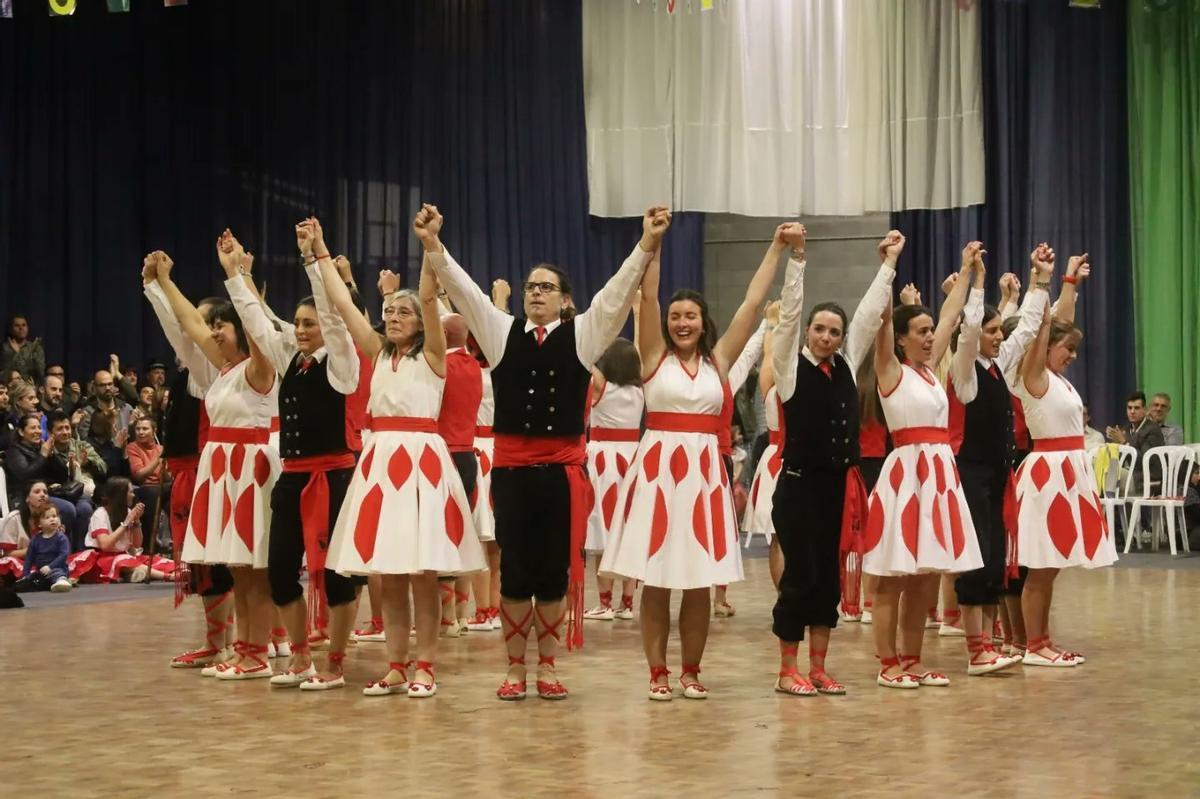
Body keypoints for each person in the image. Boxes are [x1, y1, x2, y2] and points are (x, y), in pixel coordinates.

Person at [428, 203, 666, 701]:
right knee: (515, 571)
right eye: (531, 287)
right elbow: (467, 293)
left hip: (561, 476)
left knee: (554, 572)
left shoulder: (583, 335)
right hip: (513, 473)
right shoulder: (499, 332)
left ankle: (550, 666)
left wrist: (645, 243)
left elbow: (618, 292)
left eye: (545, 287)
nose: (535, 293)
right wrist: (433, 245)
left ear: (565, 300)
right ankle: (516, 668)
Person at [601, 223, 782, 701]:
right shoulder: (651, 356)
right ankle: (658, 673)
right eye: (676, 316)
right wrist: (652, 243)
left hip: (704, 477)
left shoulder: (719, 362)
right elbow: (648, 295)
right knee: (657, 579)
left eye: (692, 316)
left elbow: (749, 303)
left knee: (699, 582)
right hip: (657, 472)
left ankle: (691, 671)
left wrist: (776, 245)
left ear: (704, 322)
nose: (682, 322)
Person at [322, 211, 484, 699]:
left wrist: (428, 244)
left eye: (403, 312)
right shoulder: (376, 353)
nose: (393, 318)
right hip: (379, 464)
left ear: (420, 322)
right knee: (386, 574)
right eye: (389, 311)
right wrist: (320, 253)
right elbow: (346, 307)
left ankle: (426, 665)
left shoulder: (434, 355)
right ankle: (395, 664)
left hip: (422, 465)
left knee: (422, 574)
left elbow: (430, 297)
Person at [224, 217, 368, 691]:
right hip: (294, 478)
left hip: (334, 478)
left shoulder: (342, 364)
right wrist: (234, 275)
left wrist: (312, 257)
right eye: (299, 324)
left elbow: (332, 314)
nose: (302, 330)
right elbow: (256, 322)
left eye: (309, 324)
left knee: (337, 578)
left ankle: (336, 661)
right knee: (282, 572)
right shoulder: (292, 362)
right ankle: (302, 657)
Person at [767, 227, 901, 695]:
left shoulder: (845, 364)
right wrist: (798, 258)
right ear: (807, 331)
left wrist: (888, 264)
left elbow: (867, 314)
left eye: (834, 332)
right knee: (800, 578)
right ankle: (788, 671)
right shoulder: (789, 367)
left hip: (835, 490)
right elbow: (786, 316)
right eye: (819, 329)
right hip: (798, 488)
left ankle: (819, 667)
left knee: (827, 580)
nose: (827, 337)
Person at [152, 237, 281, 681]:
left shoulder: (261, 370)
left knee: (254, 572)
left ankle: (257, 652)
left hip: (250, 472)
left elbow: (257, 324)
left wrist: (236, 275)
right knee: (239, 571)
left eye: (223, 327)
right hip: (223, 473)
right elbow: (190, 323)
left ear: (241, 332)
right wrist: (164, 283)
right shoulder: (224, 370)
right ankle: (245, 649)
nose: (214, 333)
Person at [863, 241, 983, 689]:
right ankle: (887, 663)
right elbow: (880, 322)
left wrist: (967, 270)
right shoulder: (890, 369)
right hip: (906, 475)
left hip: (939, 476)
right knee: (894, 578)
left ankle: (912, 660)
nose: (931, 336)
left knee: (925, 578)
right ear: (900, 338)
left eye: (932, 330)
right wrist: (888, 267)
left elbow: (952, 316)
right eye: (922, 330)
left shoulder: (932, 371)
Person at [946, 244, 1050, 675]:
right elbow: (968, 331)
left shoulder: (997, 366)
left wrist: (1041, 280)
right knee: (975, 560)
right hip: (970, 473)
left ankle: (989, 643)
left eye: (996, 330)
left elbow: (1024, 328)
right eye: (992, 330)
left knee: (993, 558)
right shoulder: (964, 371)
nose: (997, 335)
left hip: (996, 475)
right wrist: (979, 283)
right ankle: (975, 649)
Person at [1014, 252, 1117, 667]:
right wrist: (1045, 284)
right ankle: (1034, 646)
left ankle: (1042, 641)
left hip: (1069, 473)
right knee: (1041, 566)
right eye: (1067, 349)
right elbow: (1045, 331)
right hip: (1047, 477)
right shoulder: (1033, 378)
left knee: (1051, 567)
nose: (1072, 354)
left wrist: (1071, 281)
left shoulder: (1058, 382)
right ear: (1046, 347)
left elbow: (1060, 325)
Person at [143, 265, 235, 670]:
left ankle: (235, 643)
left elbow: (178, 326)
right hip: (191, 473)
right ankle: (229, 642)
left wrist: (160, 285)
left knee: (221, 562)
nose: (192, 326)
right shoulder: (196, 371)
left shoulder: (215, 371)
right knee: (207, 562)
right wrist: (154, 285)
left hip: (212, 474)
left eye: (201, 319)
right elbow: (178, 327)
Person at [582, 337, 644, 621]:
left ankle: (604, 604)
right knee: (628, 533)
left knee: (602, 532)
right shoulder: (641, 391)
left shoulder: (600, 386)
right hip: (632, 458)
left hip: (603, 461)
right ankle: (627, 604)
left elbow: (583, 358)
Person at [433, 311, 484, 638]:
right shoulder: (475, 369)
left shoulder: (441, 369)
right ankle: (461, 613)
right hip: (466, 455)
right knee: (461, 533)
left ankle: (447, 615)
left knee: (441, 535)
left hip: (443, 456)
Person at [742, 303, 784, 590]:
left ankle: (790, 596)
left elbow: (770, 353)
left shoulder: (771, 378)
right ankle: (789, 598)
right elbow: (770, 354)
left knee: (782, 536)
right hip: (782, 457)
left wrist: (772, 322)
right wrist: (772, 323)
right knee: (781, 535)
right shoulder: (774, 379)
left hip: (784, 458)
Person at [76, 478, 174, 584]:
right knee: (124, 560)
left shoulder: (127, 511)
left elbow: (137, 544)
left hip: (124, 556)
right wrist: (126, 523)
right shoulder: (100, 514)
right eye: (130, 492)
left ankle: (137, 573)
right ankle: (167, 576)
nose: (133, 495)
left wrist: (136, 521)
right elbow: (105, 545)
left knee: (158, 561)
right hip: (102, 559)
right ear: (121, 495)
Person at [1106, 391, 1165, 496]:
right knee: (1101, 468)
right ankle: (1106, 505)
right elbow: (1121, 459)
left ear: (1145, 410)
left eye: (1136, 408)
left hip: (1146, 479)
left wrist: (1124, 442)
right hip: (1131, 476)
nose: (1132, 411)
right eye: (1129, 408)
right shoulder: (1126, 428)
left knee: (1108, 473)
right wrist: (1113, 446)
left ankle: (1107, 507)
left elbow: (1144, 460)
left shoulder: (1152, 430)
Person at [14, 504, 71, 593]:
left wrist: (50, 567)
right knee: (32, 578)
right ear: (39, 524)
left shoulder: (61, 538)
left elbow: (63, 555)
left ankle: (61, 581)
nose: (52, 519)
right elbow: (29, 558)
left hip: (57, 567)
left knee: (57, 573)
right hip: (40, 570)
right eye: (47, 517)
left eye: (54, 516)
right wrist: (26, 574)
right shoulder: (35, 540)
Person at [1, 314, 45, 384]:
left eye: (24, 325)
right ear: (10, 329)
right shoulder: (4, 348)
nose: (21, 328)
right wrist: (16, 353)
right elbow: (4, 373)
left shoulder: (36, 348)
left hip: (31, 387)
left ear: (28, 328)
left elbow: (40, 373)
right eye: (17, 325)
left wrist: (17, 353)